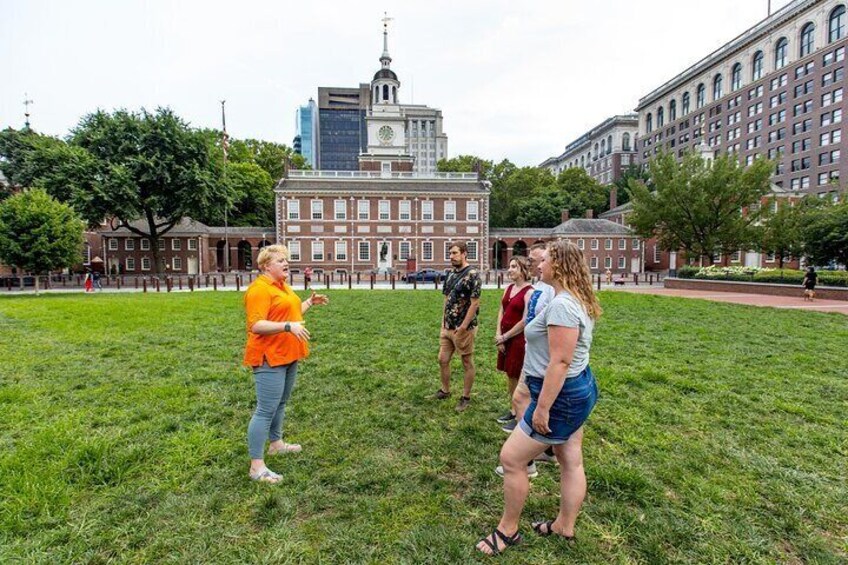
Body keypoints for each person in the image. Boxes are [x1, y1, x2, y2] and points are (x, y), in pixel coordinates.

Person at [476, 240, 602, 556]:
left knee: (512, 458)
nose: (539, 265)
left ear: (558, 265)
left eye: (544, 260)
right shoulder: (573, 298)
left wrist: (542, 408)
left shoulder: (562, 305)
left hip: (560, 395)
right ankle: (564, 526)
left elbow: (559, 362)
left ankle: (507, 531)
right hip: (578, 387)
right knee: (570, 459)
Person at [243, 244, 329, 484]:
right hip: (269, 357)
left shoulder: (282, 287)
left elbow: (287, 315)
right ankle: (256, 467)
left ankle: (276, 444)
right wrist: (288, 327)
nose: (286, 263)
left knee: (280, 403)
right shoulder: (259, 290)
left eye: (286, 260)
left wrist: (309, 304)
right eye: (280, 260)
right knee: (265, 409)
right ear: (265, 265)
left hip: (288, 354)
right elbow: (256, 325)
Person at [436, 242, 482, 412]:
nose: (451, 256)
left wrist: (463, 327)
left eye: (455, 253)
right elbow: (446, 299)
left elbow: (475, 303)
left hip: (464, 328)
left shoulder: (473, 274)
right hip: (447, 327)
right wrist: (443, 322)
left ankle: (465, 397)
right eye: (450, 253)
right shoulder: (449, 274)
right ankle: (445, 390)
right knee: (442, 359)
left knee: (466, 361)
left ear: (464, 253)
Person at [494, 257, 533, 425]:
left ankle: (520, 413)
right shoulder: (508, 288)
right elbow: (501, 311)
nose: (509, 270)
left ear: (523, 270)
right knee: (510, 375)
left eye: (513, 267)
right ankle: (513, 408)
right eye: (509, 266)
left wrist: (506, 336)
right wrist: (499, 336)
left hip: (517, 340)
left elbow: (525, 320)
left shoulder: (529, 292)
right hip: (504, 338)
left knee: (517, 375)